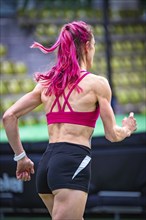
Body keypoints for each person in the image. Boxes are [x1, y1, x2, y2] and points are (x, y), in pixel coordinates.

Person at [2, 21, 137, 220]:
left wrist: (20, 157)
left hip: (47, 166)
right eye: (95, 46)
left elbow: (9, 116)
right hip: (72, 163)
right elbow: (111, 134)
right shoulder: (97, 84)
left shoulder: (46, 84)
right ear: (87, 45)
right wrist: (126, 129)